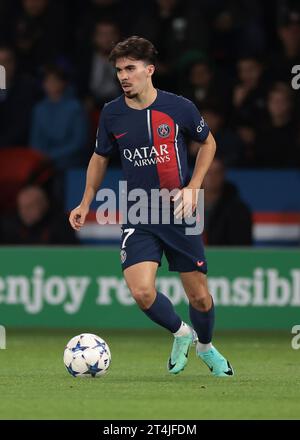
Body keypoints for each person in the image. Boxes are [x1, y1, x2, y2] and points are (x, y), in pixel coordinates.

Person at [69, 36, 234, 377]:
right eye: (118, 71)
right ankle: (181, 333)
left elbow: (208, 143)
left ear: (150, 70)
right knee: (142, 291)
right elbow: (100, 158)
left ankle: (205, 346)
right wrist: (86, 202)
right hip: (139, 211)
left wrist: (193, 187)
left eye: (130, 69)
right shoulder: (112, 113)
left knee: (200, 298)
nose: (123, 76)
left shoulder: (179, 107)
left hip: (180, 210)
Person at [0, 185, 78, 245]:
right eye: (21, 207)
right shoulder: (9, 226)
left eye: (29, 206)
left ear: (43, 204)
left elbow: (71, 254)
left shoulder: (61, 224)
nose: (24, 211)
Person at [203, 157, 252, 245]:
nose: (212, 177)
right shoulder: (186, 205)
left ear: (223, 175)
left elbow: (242, 246)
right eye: (207, 172)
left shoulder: (238, 210)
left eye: (216, 172)